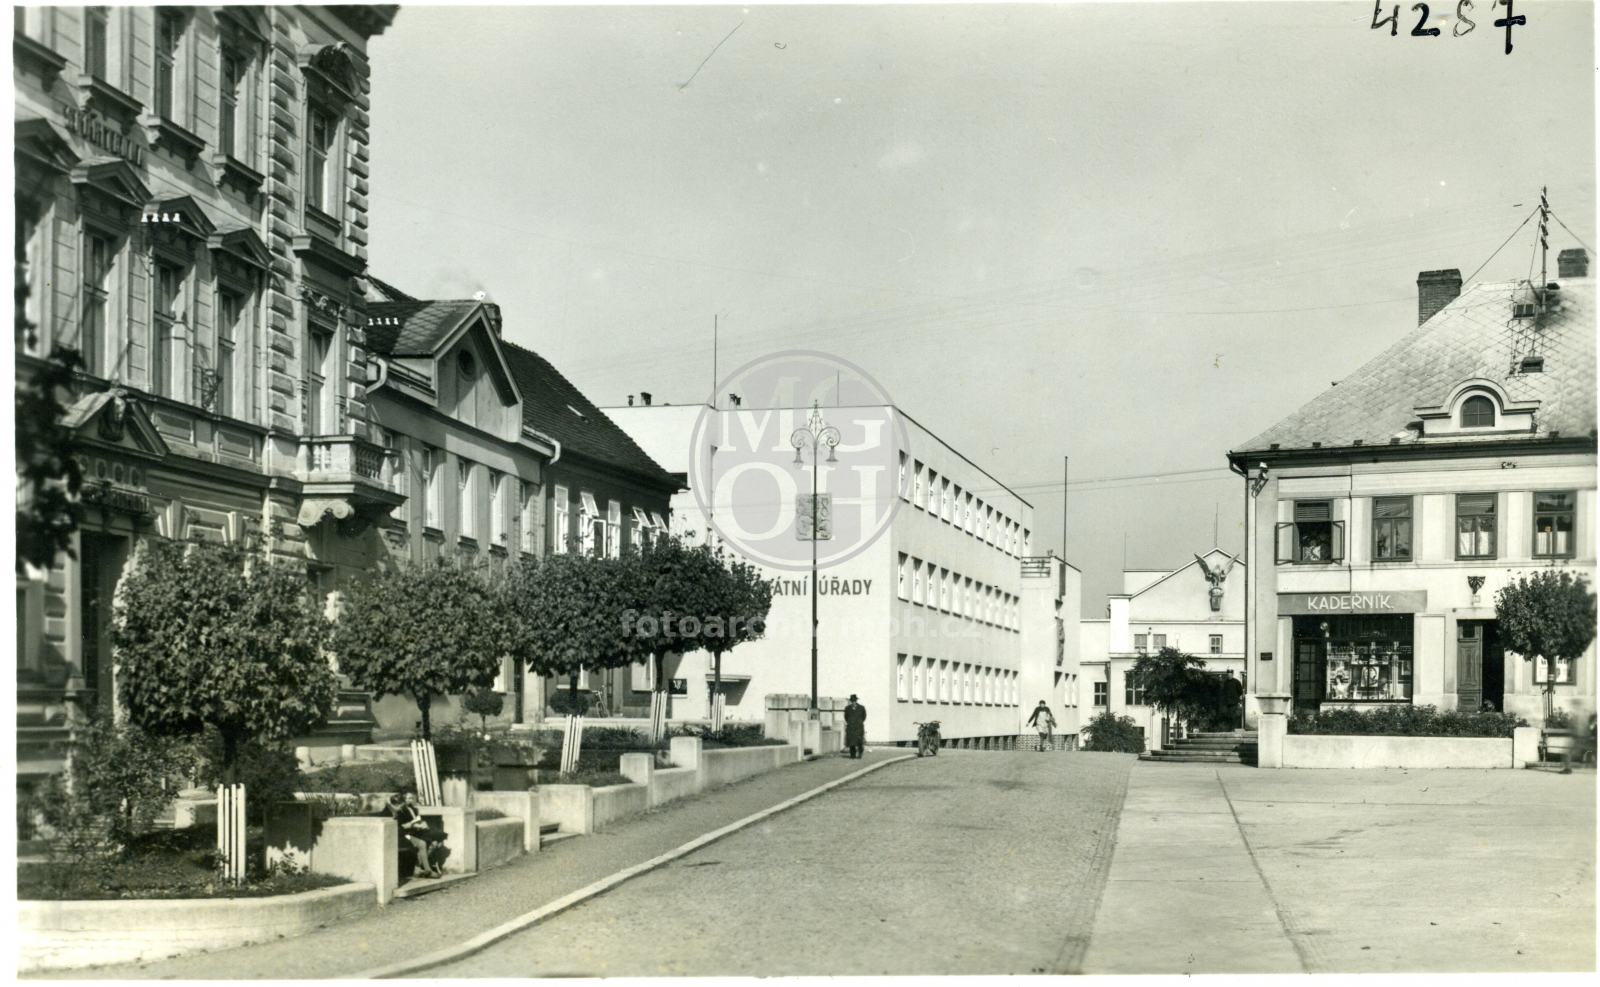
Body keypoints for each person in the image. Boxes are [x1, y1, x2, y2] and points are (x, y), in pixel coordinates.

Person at [388, 791, 446, 878]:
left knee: (430, 841)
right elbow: (396, 828)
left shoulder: (403, 810)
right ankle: (423, 869)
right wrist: (407, 826)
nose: (401, 808)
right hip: (401, 836)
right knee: (422, 843)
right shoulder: (390, 812)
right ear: (395, 804)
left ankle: (423, 869)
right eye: (400, 806)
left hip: (405, 834)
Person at [843, 694, 867, 759]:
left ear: (856, 701)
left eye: (854, 700)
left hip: (859, 727)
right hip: (851, 727)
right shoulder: (847, 708)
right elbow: (846, 717)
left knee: (859, 741)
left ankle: (860, 753)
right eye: (852, 701)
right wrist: (850, 722)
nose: (853, 702)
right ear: (851, 701)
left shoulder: (861, 708)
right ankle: (852, 755)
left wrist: (859, 722)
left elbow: (864, 716)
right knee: (851, 742)